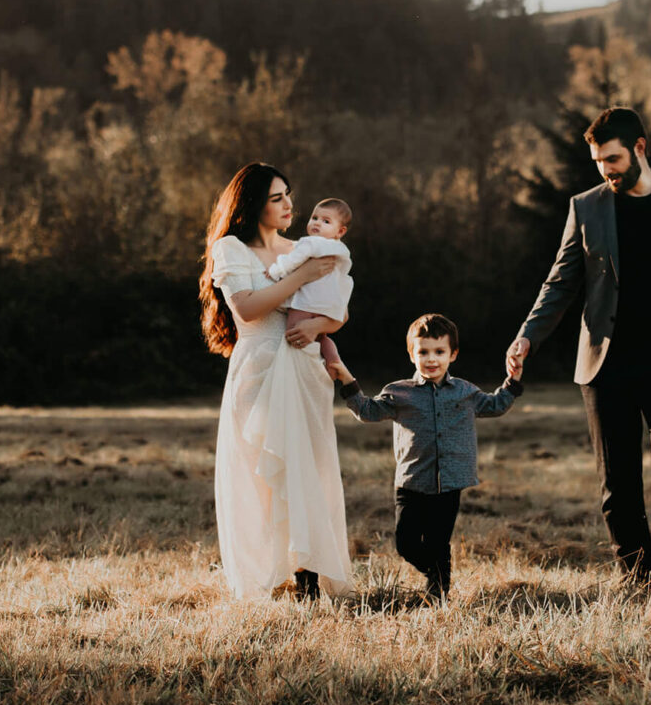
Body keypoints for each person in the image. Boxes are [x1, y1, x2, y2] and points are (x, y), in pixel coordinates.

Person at [505, 107, 651, 600]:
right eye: (597, 162)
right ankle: (635, 582)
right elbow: (561, 281)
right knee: (617, 482)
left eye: (612, 158)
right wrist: (527, 335)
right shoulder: (586, 206)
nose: (605, 170)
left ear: (639, 148)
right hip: (605, 364)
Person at [200, 163, 354, 601]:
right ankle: (267, 575)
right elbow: (248, 308)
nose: (289, 205)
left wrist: (319, 324)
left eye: (288, 194)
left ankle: (308, 576)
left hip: (305, 369)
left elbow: (339, 305)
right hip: (258, 368)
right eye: (276, 198)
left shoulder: (302, 246)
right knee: (263, 475)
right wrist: (301, 277)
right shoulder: (231, 248)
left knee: (308, 471)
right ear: (252, 205)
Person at [328, 313, 523, 600]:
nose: (431, 359)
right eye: (423, 352)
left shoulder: (465, 392)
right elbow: (367, 411)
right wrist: (347, 381)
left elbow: (495, 405)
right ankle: (434, 573)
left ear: (452, 354)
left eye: (439, 352)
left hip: (450, 483)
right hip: (411, 482)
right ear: (412, 355)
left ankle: (438, 594)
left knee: (438, 541)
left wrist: (513, 381)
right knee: (406, 544)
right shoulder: (399, 393)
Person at [267, 197, 354, 367]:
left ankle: (303, 366)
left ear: (340, 231)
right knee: (321, 336)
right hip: (329, 305)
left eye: (326, 221)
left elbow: (292, 261)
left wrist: (274, 272)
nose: (317, 223)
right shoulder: (340, 249)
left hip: (307, 301)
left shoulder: (310, 243)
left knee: (294, 331)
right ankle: (333, 360)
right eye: (315, 218)